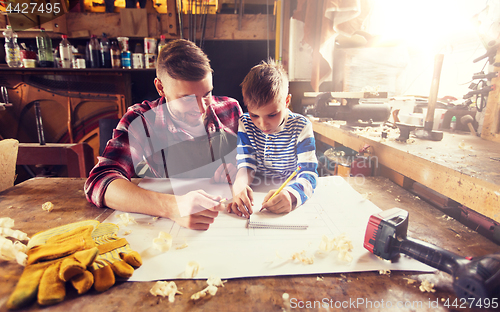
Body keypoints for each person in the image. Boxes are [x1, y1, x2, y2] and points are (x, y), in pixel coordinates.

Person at [85, 39, 242, 230]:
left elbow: (257, 163)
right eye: (186, 99)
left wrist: (239, 169)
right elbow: (100, 181)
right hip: (167, 227)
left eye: (207, 94)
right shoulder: (141, 120)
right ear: (161, 88)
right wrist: (173, 207)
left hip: (226, 220)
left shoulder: (231, 110)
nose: (201, 109)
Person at [228, 59, 318, 218]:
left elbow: (309, 173)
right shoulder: (246, 123)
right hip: (257, 196)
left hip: (288, 192)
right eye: (254, 115)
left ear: (286, 102)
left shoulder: (302, 127)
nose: (263, 124)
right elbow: (246, 165)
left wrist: (291, 195)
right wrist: (239, 186)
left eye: (272, 115)